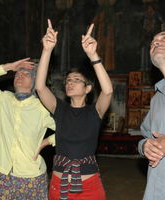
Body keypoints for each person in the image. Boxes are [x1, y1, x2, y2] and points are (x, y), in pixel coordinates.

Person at [35, 19, 113, 200]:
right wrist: (46, 50)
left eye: (76, 79)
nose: (70, 82)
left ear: (88, 88)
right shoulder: (59, 109)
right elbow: (40, 87)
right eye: (68, 80)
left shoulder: (95, 112)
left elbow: (108, 91)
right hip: (58, 184)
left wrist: (93, 55)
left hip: (89, 187)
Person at [0, 58, 56, 199]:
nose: (19, 76)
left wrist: (47, 141)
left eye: (26, 74)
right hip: (3, 172)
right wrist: (8, 67)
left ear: (35, 80)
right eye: (17, 74)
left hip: (31, 175)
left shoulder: (42, 108)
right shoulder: (3, 99)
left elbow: (69, 130)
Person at [138, 31, 165, 200]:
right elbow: (146, 136)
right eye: (153, 41)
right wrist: (144, 147)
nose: (156, 42)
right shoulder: (156, 99)